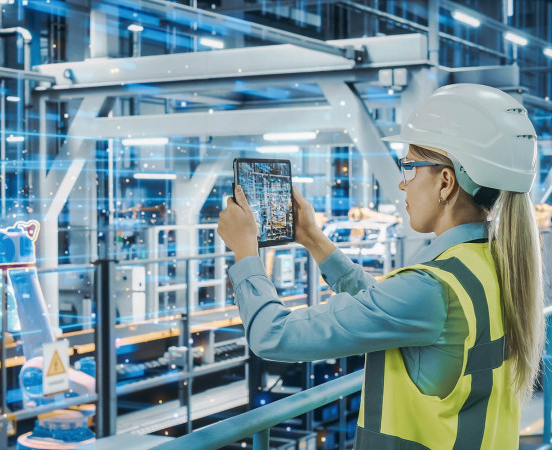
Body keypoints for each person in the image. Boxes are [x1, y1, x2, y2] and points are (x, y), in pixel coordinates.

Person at [217, 84, 545, 449]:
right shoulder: (494, 265)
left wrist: (245, 253)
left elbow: (271, 336)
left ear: (446, 181)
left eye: (409, 166)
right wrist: (312, 238)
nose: (402, 183)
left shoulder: (431, 288)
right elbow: (391, 308)